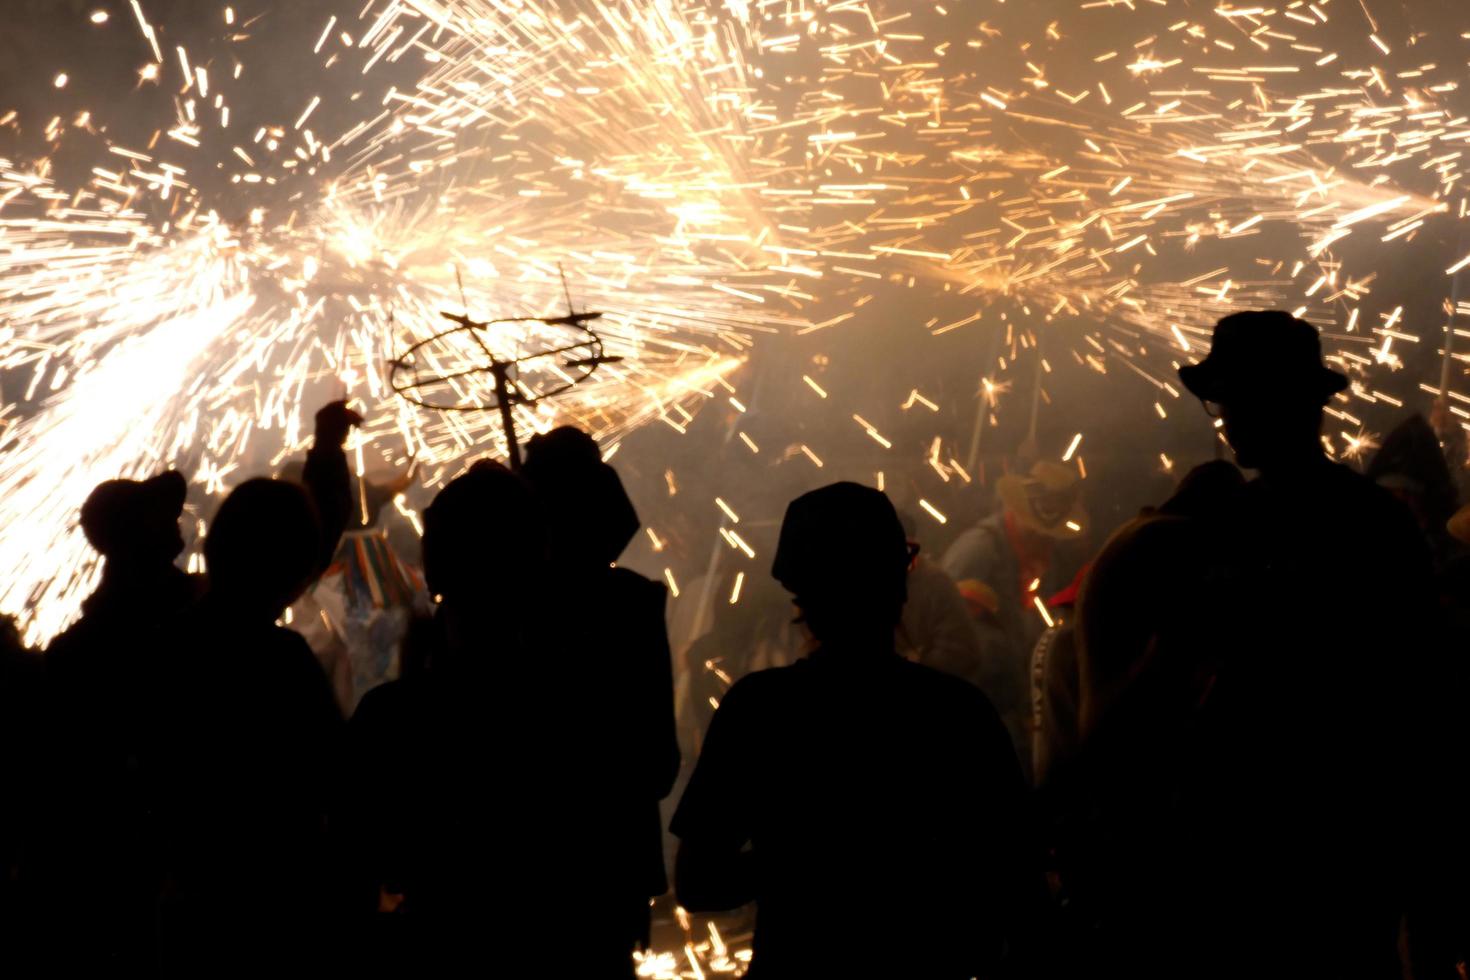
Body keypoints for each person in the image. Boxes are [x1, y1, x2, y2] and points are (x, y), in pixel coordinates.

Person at [1069, 310, 1464, 977]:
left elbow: (1412, 699)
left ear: (1284, 404)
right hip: (1319, 851)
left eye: (1238, 399)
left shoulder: (1238, 530)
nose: (1225, 418)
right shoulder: (1371, 524)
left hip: (1288, 847)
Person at [672, 482, 1041, 979]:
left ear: (801, 595)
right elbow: (1020, 892)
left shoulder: (760, 709)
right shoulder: (957, 713)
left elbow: (699, 882)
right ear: (901, 583)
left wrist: (800, 857)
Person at [139, 401, 358, 974]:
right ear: (292, 568)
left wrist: (329, 453)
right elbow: (337, 780)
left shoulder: (164, 645)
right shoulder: (278, 662)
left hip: (183, 916)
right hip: (271, 919)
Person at [521, 426, 681, 970]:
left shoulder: (500, 617)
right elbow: (659, 763)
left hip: (523, 868)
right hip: (611, 865)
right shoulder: (634, 606)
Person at [941, 460, 1085, 770]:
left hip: (1018, 702)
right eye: (1040, 530)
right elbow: (947, 632)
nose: (1046, 538)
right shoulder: (978, 550)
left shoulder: (1045, 553)